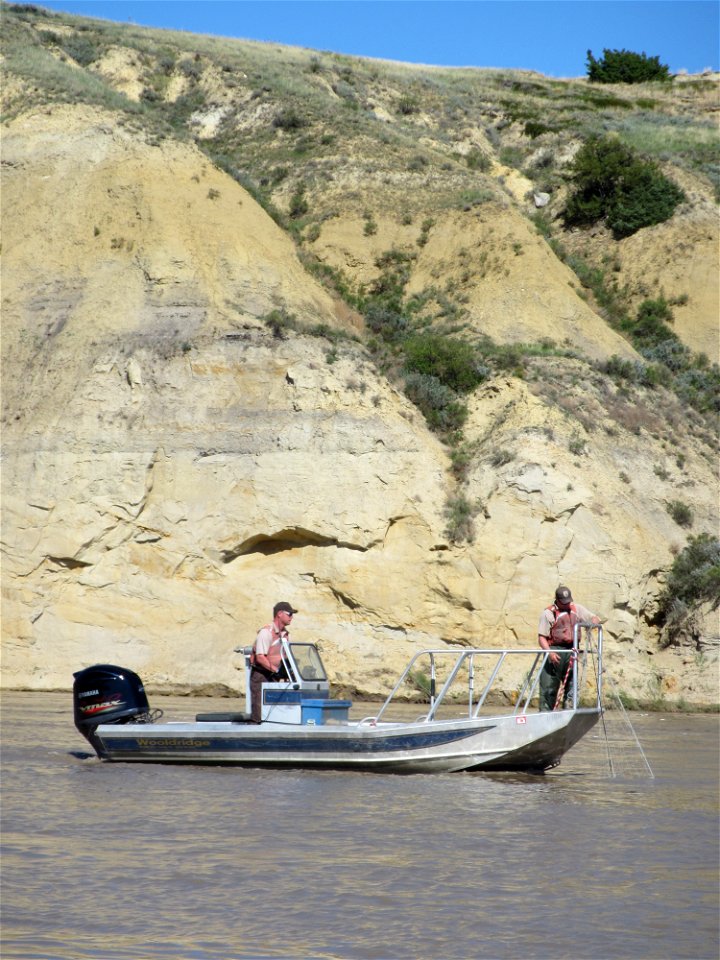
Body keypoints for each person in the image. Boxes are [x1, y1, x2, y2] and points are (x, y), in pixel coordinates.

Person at [538, 586, 600, 711]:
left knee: (571, 685)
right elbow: (541, 638)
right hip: (555, 650)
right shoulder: (548, 613)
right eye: (563, 602)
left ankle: (569, 711)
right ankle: (545, 714)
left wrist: (592, 622)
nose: (567, 605)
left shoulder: (576, 609)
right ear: (557, 600)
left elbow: (595, 618)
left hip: (572, 651)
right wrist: (549, 653)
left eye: (568, 601)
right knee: (549, 687)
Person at [250, 601, 297, 723]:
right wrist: (276, 671)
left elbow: (286, 656)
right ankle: (255, 731)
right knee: (259, 712)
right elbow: (260, 657)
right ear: (280, 614)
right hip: (261, 676)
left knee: (275, 711)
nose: (292, 617)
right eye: (290, 614)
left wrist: (287, 674)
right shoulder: (266, 632)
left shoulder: (286, 634)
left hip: (275, 676)